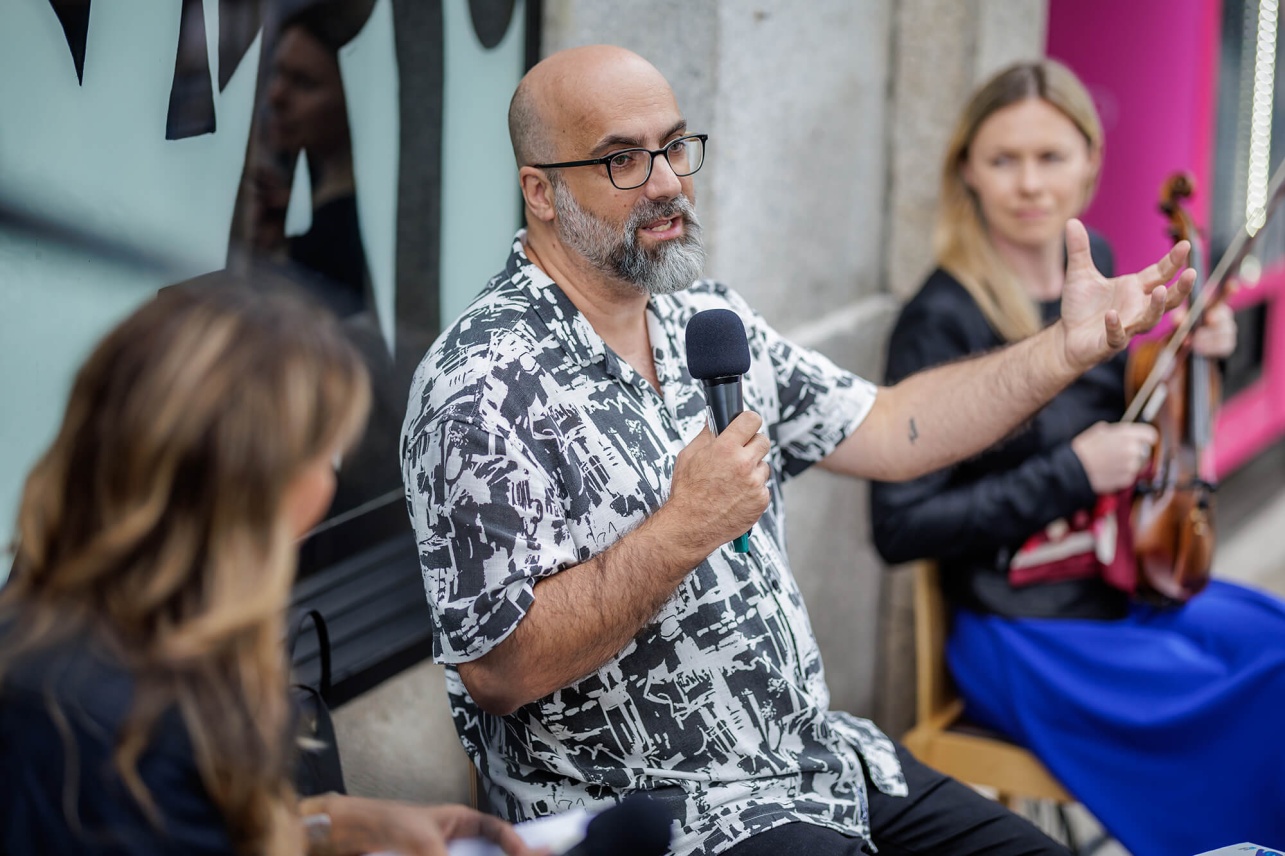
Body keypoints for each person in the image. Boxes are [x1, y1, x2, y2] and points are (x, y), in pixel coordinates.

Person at [401, 45, 1194, 856]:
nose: (669, 181)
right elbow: (500, 671)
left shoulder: (700, 318)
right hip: (658, 819)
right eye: (621, 159)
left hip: (822, 766)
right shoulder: (479, 384)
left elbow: (891, 427)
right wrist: (684, 528)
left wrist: (1062, 350)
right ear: (540, 190)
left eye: (675, 146)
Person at [870, 59, 1285, 856]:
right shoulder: (939, 318)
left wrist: (1199, 356)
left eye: (1050, 157)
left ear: (1090, 162)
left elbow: (1136, 421)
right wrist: (1073, 474)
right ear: (966, 173)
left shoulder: (1087, 265)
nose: (1028, 184)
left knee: (1276, 645)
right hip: (1018, 626)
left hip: (1115, 584)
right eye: (1002, 160)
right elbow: (899, 525)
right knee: (1263, 693)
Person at [0, 280, 536, 856]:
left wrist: (331, 826)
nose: (328, 489)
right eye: (323, 453)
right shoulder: (137, 732)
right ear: (249, 486)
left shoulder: (60, 646)